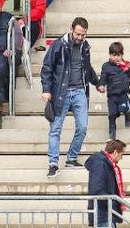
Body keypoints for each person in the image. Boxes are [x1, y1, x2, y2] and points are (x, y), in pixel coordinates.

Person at [42, 16, 98, 175]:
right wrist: (46, 90)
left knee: (82, 126)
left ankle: (71, 158)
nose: (80, 38)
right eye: (78, 34)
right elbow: (46, 68)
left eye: (83, 35)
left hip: (80, 90)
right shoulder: (58, 45)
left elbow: (87, 68)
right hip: (61, 92)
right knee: (55, 128)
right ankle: (53, 163)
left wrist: (97, 83)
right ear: (71, 29)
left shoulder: (85, 46)